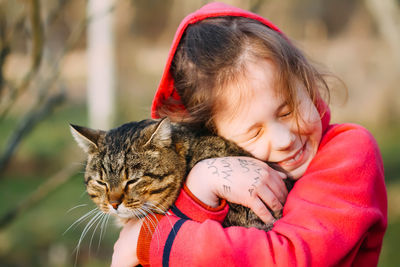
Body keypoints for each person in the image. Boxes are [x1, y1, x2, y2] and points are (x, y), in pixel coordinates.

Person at [111, 2, 387, 266]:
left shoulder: (349, 152)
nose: (284, 139)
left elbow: (290, 258)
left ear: (306, 83)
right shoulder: (218, 174)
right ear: (215, 138)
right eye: (254, 133)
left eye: (287, 111)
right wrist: (201, 184)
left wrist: (154, 240)